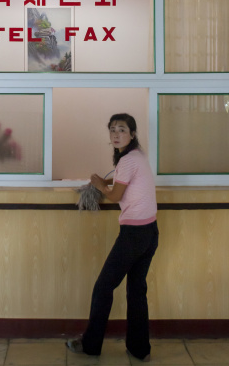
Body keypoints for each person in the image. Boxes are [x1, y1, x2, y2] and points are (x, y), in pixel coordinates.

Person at [66, 113, 159, 363]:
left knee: (103, 287)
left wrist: (98, 184)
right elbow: (121, 182)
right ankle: (140, 350)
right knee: (137, 290)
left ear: (133, 134)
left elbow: (116, 194)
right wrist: (103, 182)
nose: (116, 134)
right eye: (112, 130)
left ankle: (90, 345)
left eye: (122, 130)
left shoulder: (128, 160)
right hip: (150, 232)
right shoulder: (137, 157)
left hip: (134, 235)